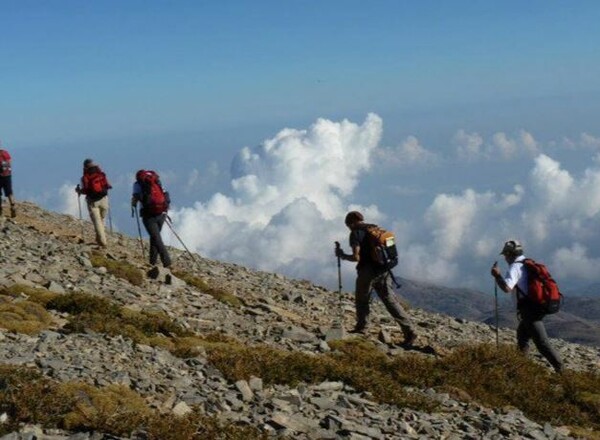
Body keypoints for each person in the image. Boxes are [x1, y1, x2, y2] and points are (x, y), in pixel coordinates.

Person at [335, 211, 417, 346]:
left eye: (348, 226)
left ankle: (362, 328)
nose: (349, 228)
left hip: (368, 271)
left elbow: (356, 257)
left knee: (362, 299)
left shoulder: (355, 233)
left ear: (351, 223)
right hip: (384, 270)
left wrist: (342, 255)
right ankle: (410, 331)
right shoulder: (376, 229)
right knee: (390, 301)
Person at [491, 240, 563, 372]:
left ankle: (562, 372)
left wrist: (497, 276)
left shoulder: (515, 267)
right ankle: (520, 368)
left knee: (542, 343)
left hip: (529, 310)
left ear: (509, 254)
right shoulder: (528, 263)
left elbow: (507, 288)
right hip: (536, 307)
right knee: (522, 337)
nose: (505, 258)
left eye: (505, 255)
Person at [131, 170, 171, 269]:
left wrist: (133, 204)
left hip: (148, 215)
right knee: (155, 237)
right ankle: (152, 262)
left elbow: (136, 196)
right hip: (162, 213)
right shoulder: (156, 181)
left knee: (156, 238)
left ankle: (167, 261)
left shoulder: (137, 184)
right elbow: (165, 193)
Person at [76, 159, 112, 247]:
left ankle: (102, 242)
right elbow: (108, 185)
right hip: (104, 199)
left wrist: (79, 191)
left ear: (85, 167)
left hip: (93, 202)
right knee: (102, 219)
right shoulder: (101, 174)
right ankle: (99, 239)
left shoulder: (85, 177)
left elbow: (85, 190)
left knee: (97, 221)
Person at [0, 146, 17, 218]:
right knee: (9, 192)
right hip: (7, 175)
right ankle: (13, 205)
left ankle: (0, 208)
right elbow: (10, 161)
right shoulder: (5, 152)